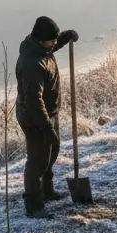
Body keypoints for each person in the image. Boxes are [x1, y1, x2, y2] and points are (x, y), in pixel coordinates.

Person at [15, 16, 79, 218]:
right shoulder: (32, 64)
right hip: (35, 118)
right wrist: (47, 128)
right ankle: (34, 204)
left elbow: (51, 46)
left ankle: (47, 191)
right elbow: (34, 102)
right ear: (41, 40)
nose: (54, 44)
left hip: (48, 113)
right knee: (38, 160)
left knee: (52, 152)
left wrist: (65, 37)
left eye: (55, 40)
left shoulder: (41, 48)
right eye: (52, 40)